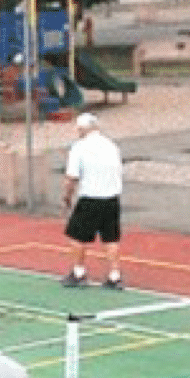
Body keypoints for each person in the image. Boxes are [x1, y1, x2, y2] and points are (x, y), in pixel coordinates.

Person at [59, 112, 125, 290]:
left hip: (90, 197)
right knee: (111, 238)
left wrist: (67, 196)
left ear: (81, 129)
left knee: (76, 235)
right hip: (112, 198)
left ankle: (79, 272)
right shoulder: (111, 145)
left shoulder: (79, 147)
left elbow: (72, 176)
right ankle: (114, 274)